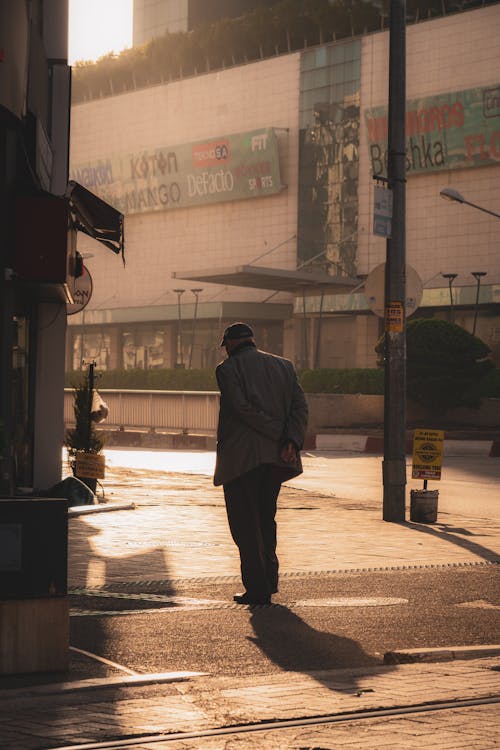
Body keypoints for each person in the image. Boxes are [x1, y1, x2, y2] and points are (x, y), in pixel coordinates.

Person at [214, 322, 308, 605]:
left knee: (245, 524)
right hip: (276, 460)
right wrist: (290, 440)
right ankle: (269, 580)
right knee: (266, 520)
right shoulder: (285, 366)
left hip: (242, 461)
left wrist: (279, 434)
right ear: (251, 341)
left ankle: (257, 588)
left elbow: (241, 409)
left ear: (230, 344)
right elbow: (300, 407)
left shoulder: (227, 370)